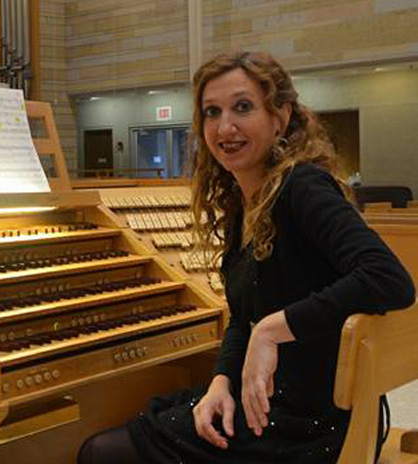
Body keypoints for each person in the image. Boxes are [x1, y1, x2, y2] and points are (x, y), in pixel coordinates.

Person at [78, 52, 415, 464]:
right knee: (157, 416)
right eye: (211, 112)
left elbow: (390, 279)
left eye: (242, 107)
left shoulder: (302, 187)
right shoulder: (245, 205)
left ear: (280, 116)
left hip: (307, 425)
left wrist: (272, 329)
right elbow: (242, 317)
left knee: (102, 452)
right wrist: (221, 381)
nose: (225, 127)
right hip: (271, 403)